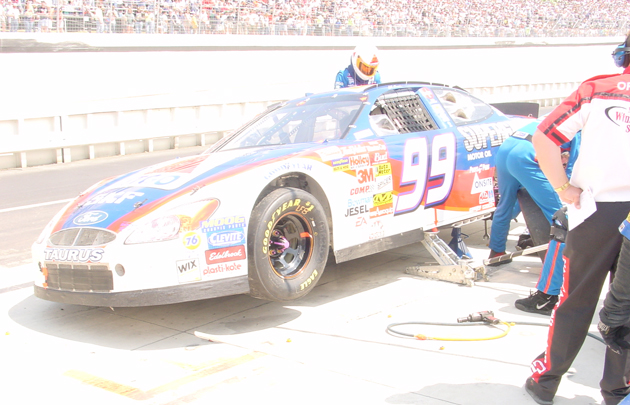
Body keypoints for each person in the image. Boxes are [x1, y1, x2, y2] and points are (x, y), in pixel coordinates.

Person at [525, 32, 630, 405]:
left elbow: (544, 137)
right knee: (626, 304)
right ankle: (618, 391)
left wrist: (562, 187)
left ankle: (546, 380)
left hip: (596, 211)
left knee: (576, 300)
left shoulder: (597, 89)